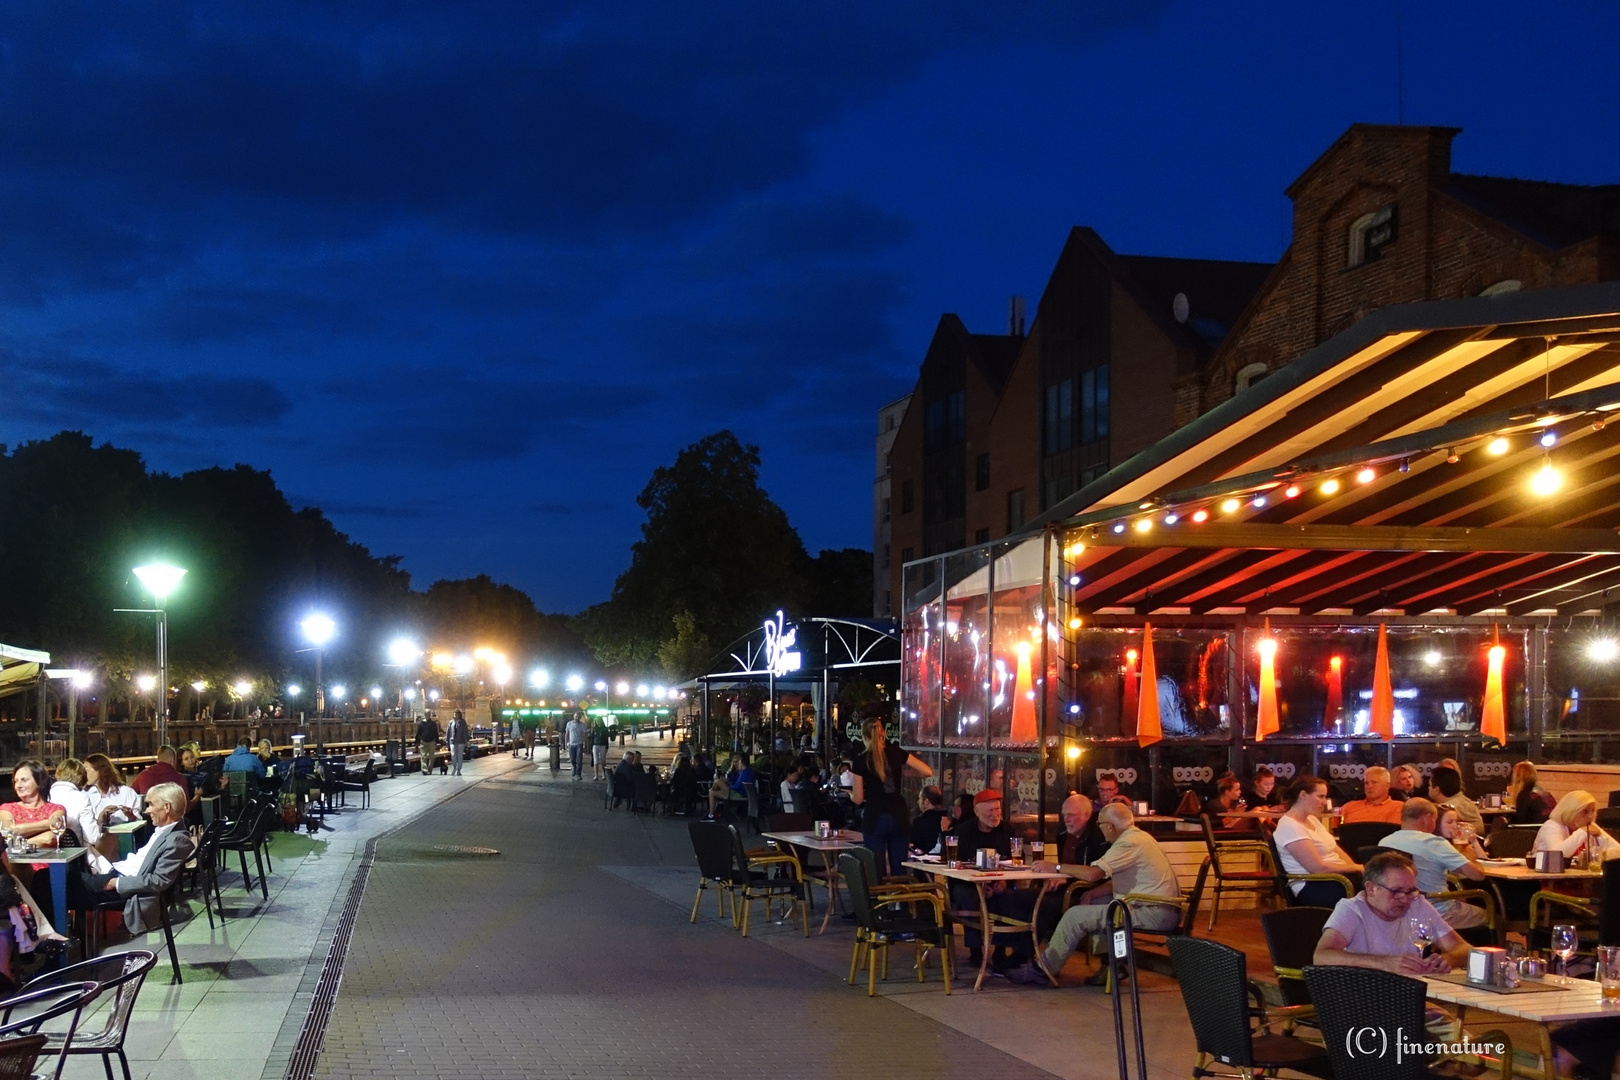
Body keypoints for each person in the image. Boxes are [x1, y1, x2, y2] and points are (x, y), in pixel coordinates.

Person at [1007, 802, 1182, 987]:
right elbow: (1123, 880)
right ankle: (1111, 965)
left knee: (1075, 915)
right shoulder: (1139, 837)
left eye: (1100, 824)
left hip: (1154, 912)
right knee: (1096, 902)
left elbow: (1093, 873)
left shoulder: (1128, 842)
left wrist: (1056, 867)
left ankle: (1042, 970)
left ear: (1110, 826)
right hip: (1154, 907)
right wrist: (1093, 893)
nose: (1099, 829)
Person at [1312, 851, 1469, 975]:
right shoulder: (1352, 909)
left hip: (1405, 995)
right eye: (1396, 891)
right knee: (1443, 1016)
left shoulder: (1417, 903)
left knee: (1444, 1016)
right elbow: (1322, 956)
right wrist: (1384, 963)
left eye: (1410, 891)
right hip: (1360, 998)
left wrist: (1446, 960)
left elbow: (1464, 948)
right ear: (1371, 889)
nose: (1405, 899)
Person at [74, 782, 196, 937]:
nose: (147, 810)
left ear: (167, 807)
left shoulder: (177, 839)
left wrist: (116, 883)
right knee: (60, 880)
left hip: (125, 887)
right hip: (117, 874)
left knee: (57, 883)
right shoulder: (164, 831)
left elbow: (159, 880)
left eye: (151, 805)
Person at [1379, 798, 1487, 929]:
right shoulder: (1433, 843)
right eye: (1434, 820)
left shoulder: (1384, 842)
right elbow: (1478, 875)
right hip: (1438, 911)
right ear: (1427, 818)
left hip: (1398, 911)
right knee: (1492, 916)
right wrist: (1471, 857)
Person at [849, 719, 932, 877]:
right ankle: (902, 900)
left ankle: (881, 901)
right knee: (899, 869)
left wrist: (850, 794)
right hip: (899, 815)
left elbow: (858, 798)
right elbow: (927, 771)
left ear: (863, 736)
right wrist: (908, 773)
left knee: (876, 870)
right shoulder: (897, 752)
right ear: (884, 734)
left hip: (874, 816)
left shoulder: (861, 761)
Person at [1273, 775, 1361, 907]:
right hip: (1312, 885)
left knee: (1379, 884)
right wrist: (1356, 868)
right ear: (1303, 795)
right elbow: (1317, 868)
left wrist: (1356, 869)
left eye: (1325, 797)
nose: (1324, 802)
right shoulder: (1290, 826)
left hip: (1335, 878)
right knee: (1377, 890)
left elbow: (1336, 850)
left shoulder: (1312, 819)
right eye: (1320, 796)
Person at [1534, 790, 1620, 863]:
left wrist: (1591, 856)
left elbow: (1618, 851)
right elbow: (1557, 855)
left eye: (1593, 811)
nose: (1590, 816)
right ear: (1571, 812)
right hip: (1545, 878)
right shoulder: (1551, 826)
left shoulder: (1590, 826)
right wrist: (1582, 832)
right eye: (1585, 811)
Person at [0, 762, 66, 849]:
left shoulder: (56, 809)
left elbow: (49, 838)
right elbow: (9, 832)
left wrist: (19, 844)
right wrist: (49, 823)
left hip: (47, 861)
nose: (18, 785)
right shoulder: (7, 808)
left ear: (39, 782)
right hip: (16, 861)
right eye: (16, 781)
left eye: (24, 780)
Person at [82, 755, 141, 830]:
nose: (83, 775)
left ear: (99, 770)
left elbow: (138, 823)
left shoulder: (126, 792)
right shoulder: (85, 795)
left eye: (86, 770)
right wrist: (101, 817)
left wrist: (130, 815)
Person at [1054, 793, 1110, 866]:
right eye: (1064, 815)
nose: (1066, 820)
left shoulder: (1100, 837)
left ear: (1087, 815)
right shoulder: (1062, 835)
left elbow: (1096, 872)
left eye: (1071, 815)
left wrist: (1056, 868)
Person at [1429, 766, 1485, 835]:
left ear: (1436, 790)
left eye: (1429, 785)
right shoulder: (1463, 800)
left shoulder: (1449, 809)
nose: (1428, 788)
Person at [1339, 766, 1403, 825]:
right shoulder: (1349, 807)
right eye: (1366, 783)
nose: (1369, 786)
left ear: (1387, 786)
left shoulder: (1398, 807)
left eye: (1374, 782)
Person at [48, 759, 92, 846]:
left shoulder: (45, 795)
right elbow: (92, 837)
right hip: (77, 855)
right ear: (82, 777)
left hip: (49, 851)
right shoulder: (82, 797)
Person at [1508, 761, 1555, 825]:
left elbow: (1520, 821)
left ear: (1517, 777)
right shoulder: (1545, 793)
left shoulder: (1524, 795)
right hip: (1548, 829)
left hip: (1531, 831)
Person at [909, 786, 949, 854]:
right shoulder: (948, 819)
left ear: (926, 801)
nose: (918, 801)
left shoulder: (919, 822)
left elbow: (911, 842)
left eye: (920, 798)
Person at [415, 713, 442, 777]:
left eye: (428, 714)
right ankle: (424, 770)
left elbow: (436, 732)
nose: (427, 715)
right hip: (423, 741)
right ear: (424, 714)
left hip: (431, 741)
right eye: (426, 714)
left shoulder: (433, 723)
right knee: (423, 756)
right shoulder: (421, 724)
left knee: (431, 757)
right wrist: (417, 741)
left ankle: (430, 769)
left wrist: (436, 740)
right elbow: (418, 733)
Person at [447, 710, 472, 776]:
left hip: (460, 741)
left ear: (459, 715)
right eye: (454, 714)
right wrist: (447, 741)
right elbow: (448, 732)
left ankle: (458, 769)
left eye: (456, 714)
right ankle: (454, 767)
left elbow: (465, 731)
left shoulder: (462, 722)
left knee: (460, 756)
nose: (455, 716)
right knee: (453, 756)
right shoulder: (451, 722)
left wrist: (466, 740)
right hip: (452, 741)